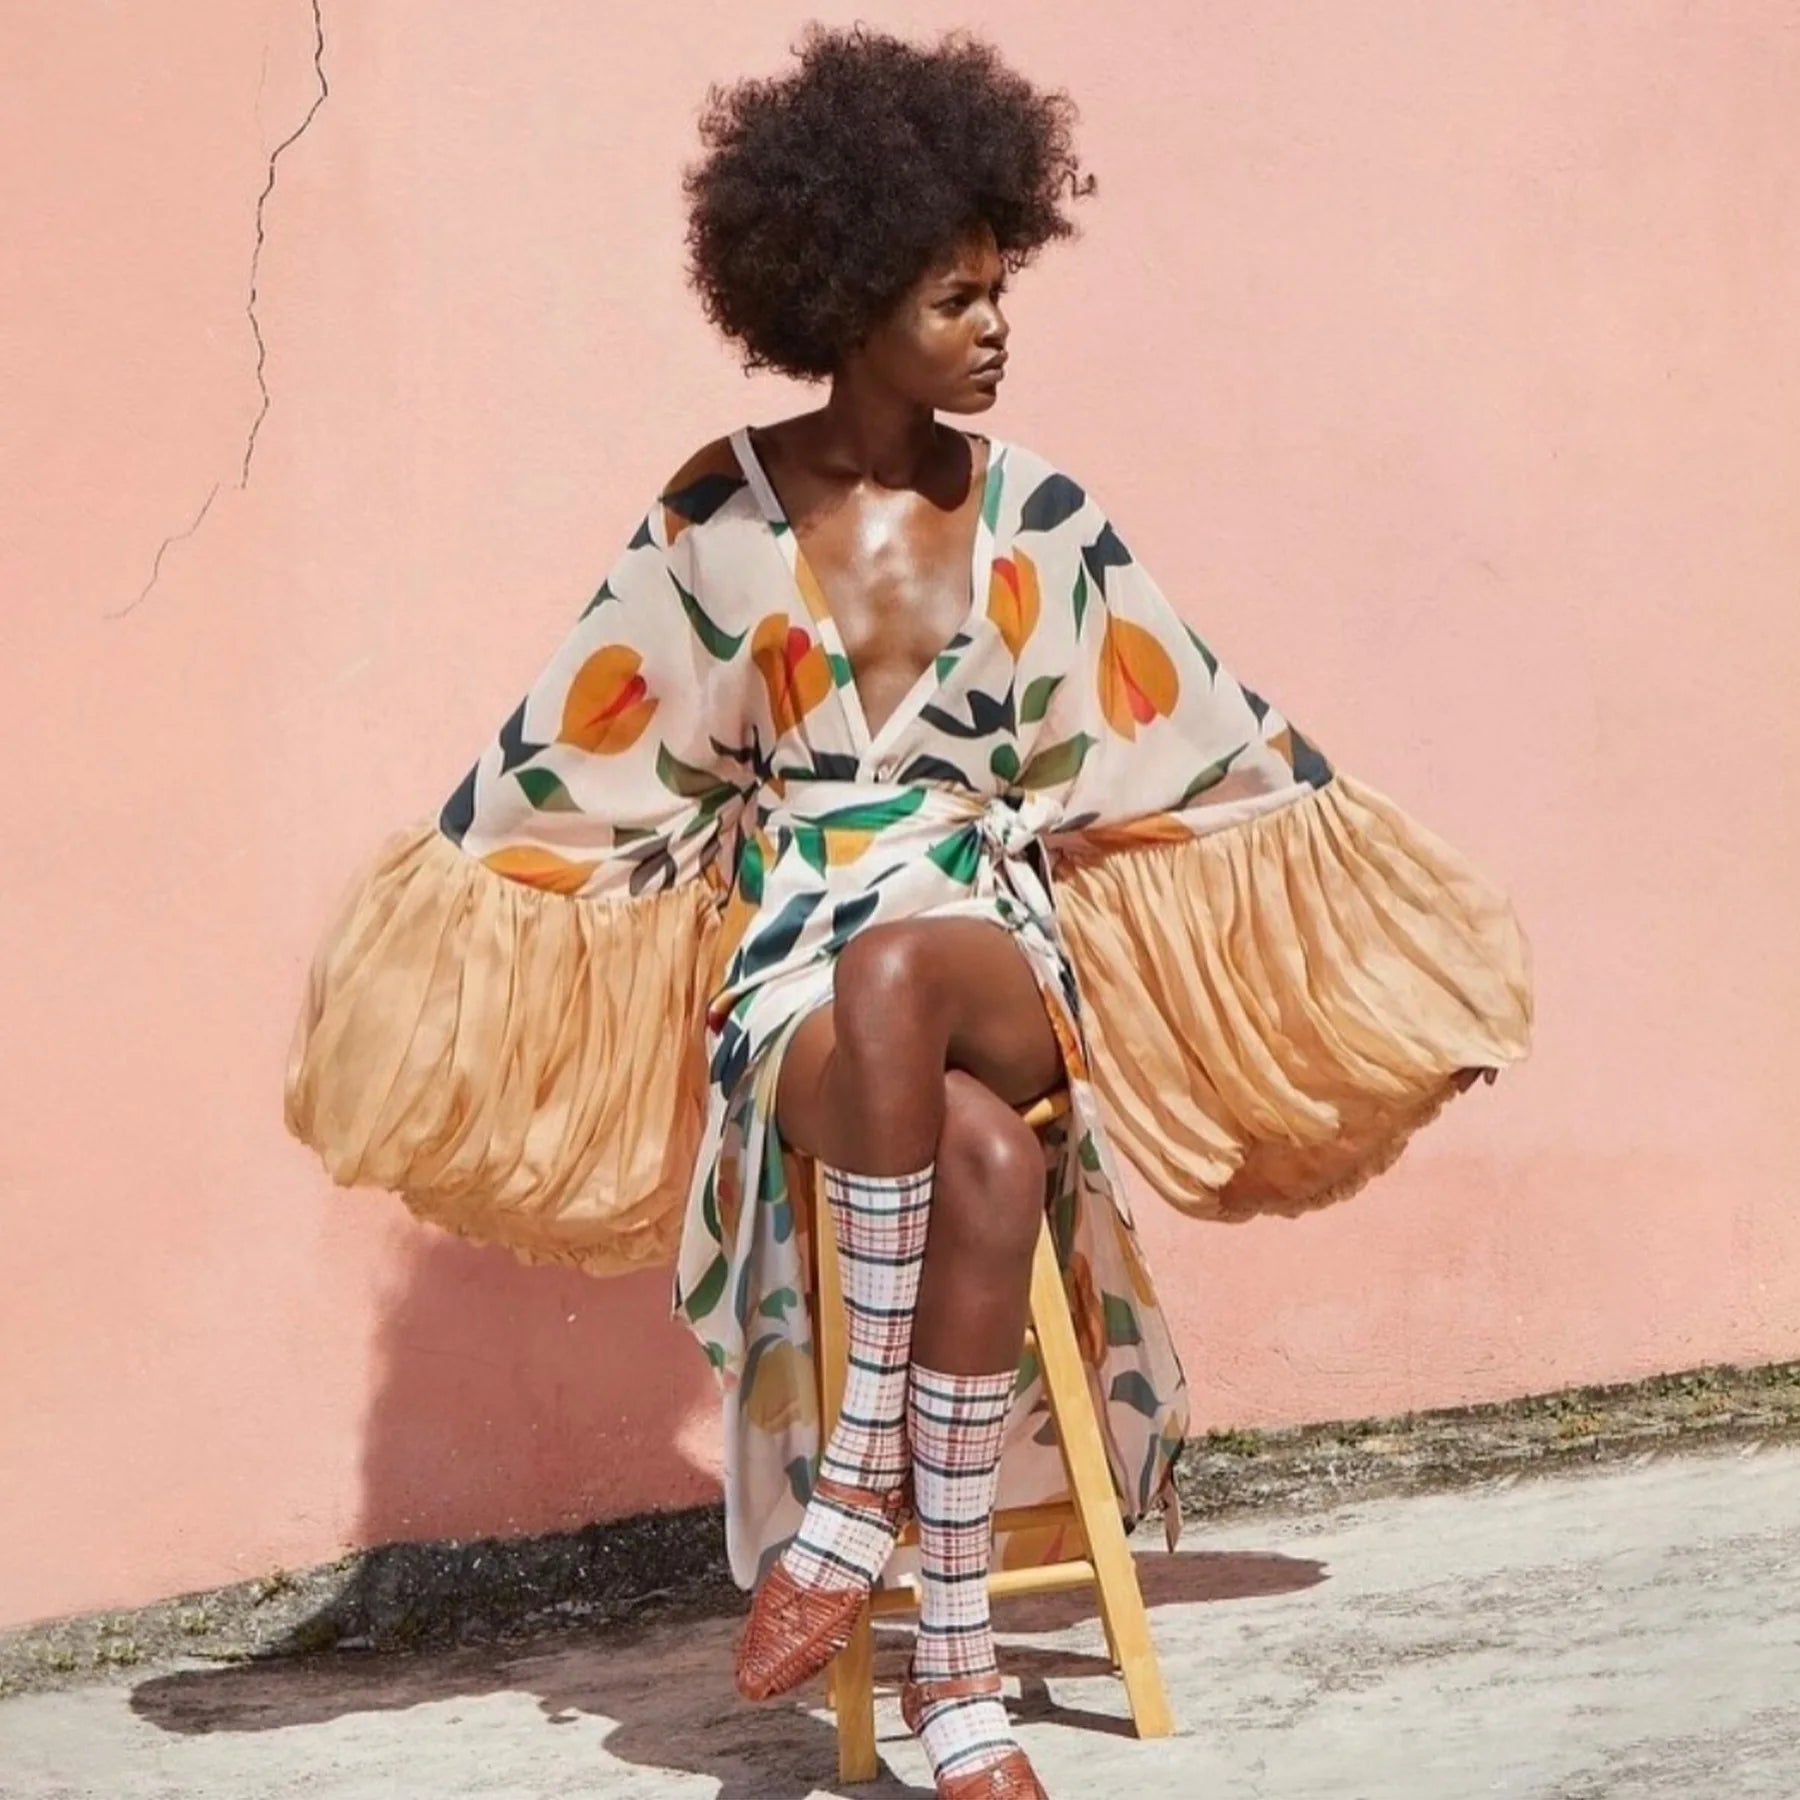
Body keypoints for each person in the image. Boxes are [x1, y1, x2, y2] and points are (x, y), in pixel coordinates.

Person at [283, 24, 1532, 1799]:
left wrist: (1396, 995)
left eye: (1002, 287)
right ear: (850, 294)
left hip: (988, 945)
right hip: (790, 974)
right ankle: (957, 1685)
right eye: (959, 296)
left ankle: (855, 1482)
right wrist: (419, 989)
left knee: (906, 970)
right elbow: (573, 762)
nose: (997, 325)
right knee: (987, 1162)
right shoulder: (713, 521)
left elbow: (1220, 753)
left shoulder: (1043, 522)